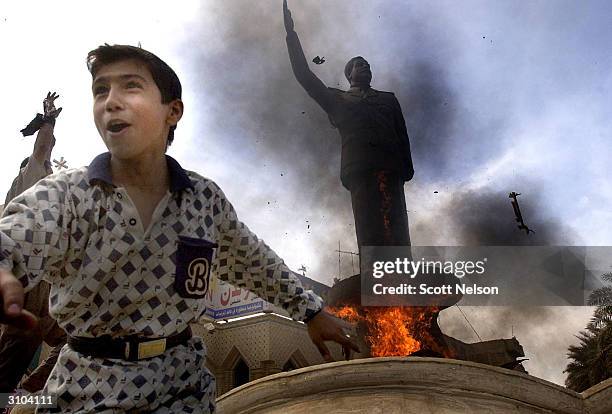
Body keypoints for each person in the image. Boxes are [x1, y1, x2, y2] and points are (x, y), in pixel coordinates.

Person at [0, 44, 358, 413]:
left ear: (172, 111)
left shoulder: (203, 200)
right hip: (86, 391)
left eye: (131, 87)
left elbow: (252, 261)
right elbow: (18, 235)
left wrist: (312, 312)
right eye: (101, 90)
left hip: (182, 389)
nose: (111, 101)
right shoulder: (65, 195)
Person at [283, 0, 414, 251]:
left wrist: (407, 168)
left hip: (391, 168)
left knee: (398, 230)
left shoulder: (389, 99)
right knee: (370, 230)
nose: (365, 66)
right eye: (359, 64)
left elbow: (402, 134)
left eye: (367, 65)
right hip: (360, 169)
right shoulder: (337, 99)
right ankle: (374, 277)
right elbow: (304, 75)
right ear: (349, 74)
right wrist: (291, 34)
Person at [0, 93, 67, 394]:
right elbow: (42, 149)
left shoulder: (50, 199)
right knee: (24, 336)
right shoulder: (30, 179)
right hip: (21, 274)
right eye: (48, 169)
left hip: (44, 280)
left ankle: (26, 393)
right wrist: (48, 120)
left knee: (74, 340)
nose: (51, 172)